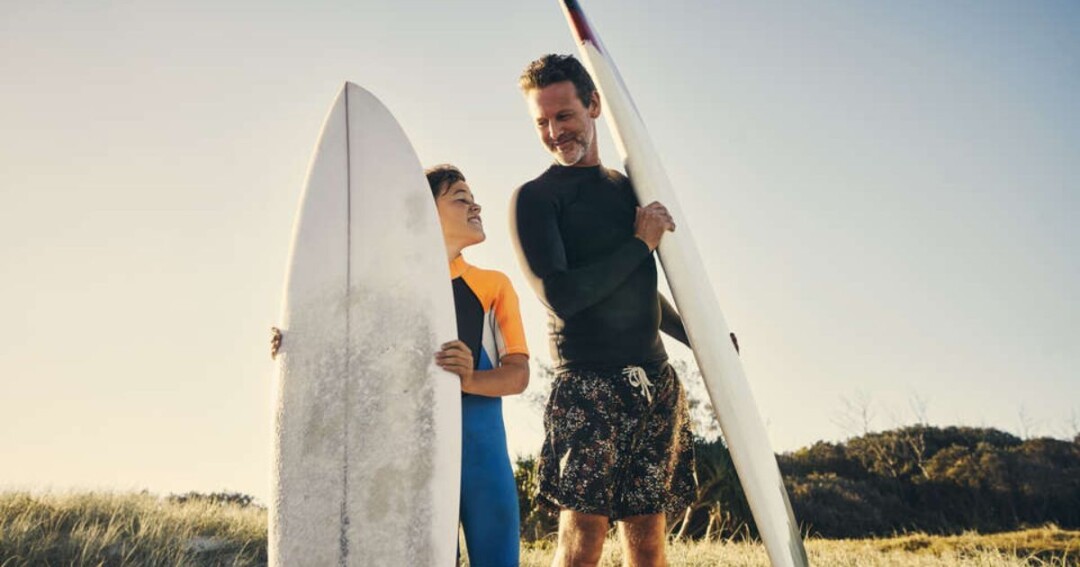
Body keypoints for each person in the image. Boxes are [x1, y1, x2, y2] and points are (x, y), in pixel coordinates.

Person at [273, 164, 529, 567]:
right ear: (425, 211)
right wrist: (295, 347)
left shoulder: (492, 285)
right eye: (460, 198)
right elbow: (351, 360)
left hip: (483, 459)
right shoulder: (387, 293)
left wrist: (469, 378)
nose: (475, 206)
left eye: (473, 198)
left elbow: (518, 376)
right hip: (411, 460)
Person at [510, 53, 697, 567]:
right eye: (542, 122)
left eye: (564, 115)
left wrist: (699, 337)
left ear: (593, 105)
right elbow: (561, 295)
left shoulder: (626, 189)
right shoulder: (536, 199)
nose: (554, 132)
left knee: (649, 540)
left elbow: (634, 287)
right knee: (583, 540)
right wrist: (640, 244)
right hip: (588, 386)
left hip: (653, 382)